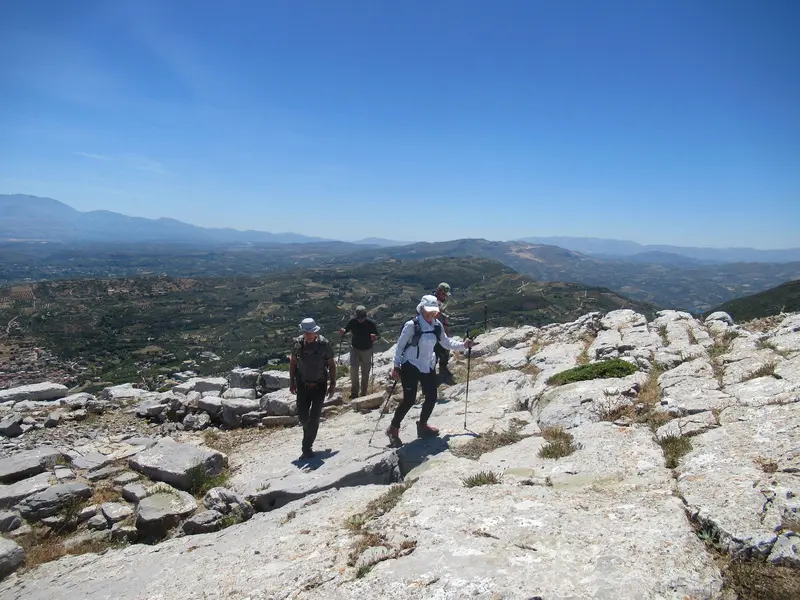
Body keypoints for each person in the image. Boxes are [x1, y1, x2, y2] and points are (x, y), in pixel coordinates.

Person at [385, 295, 475, 447]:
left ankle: (422, 425)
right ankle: (393, 428)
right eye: (428, 311)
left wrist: (464, 345)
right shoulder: (411, 325)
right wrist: (396, 366)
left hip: (427, 365)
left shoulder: (436, 325)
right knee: (409, 399)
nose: (431, 314)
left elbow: (446, 343)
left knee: (432, 396)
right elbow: (400, 346)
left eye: (434, 312)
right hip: (411, 364)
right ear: (421, 309)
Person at [289, 318, 336, 459]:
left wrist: (333, 384)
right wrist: (291, 382)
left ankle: (306, 447)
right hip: (302, 385)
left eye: (310, 332)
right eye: (306, 332)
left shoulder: (323, 344)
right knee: (303, 418)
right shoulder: (298, 344)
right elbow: (293, 362)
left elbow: (332, 364)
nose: (308, 335)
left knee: (314, 417)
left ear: (315, 332)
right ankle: (308, 433)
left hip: (319, 386)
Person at [339, 305, 379, 399]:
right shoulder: (353, 322)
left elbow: (377, 335)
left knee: (365, 371)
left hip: (367, 349)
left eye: (362, 318)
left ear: (365, 316)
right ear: (356, 316)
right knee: (353, 370)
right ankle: (354, 393)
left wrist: (375, 337)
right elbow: (346, 329)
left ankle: (363, 393)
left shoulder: (370, 323)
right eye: (359, 318)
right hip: (355, 349)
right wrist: (343, 331)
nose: (360, 320)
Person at [433, 282, 454, 384]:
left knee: (445, 351)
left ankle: (443, 369)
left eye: (446, 294)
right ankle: (430, 377)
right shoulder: (431, 301)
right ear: (439, 291)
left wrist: (447, 332)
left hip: (442, 330)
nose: (445, 296)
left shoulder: (444, 301)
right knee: (433, 356)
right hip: (432, 333)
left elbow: (446, 318)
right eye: (443, 294)